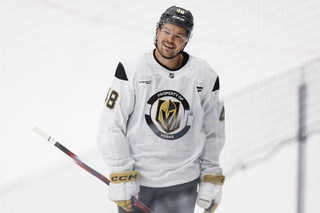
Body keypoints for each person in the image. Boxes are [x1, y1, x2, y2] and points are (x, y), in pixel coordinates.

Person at [97, 5, 225, 213]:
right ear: (157, 31)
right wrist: (121, 172)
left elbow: (214, 133)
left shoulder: (205, 76)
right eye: (166, 31)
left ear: (187, 40)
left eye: (179, 36)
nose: (170, 40)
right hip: (137, 182)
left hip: (182, 183)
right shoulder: (133, 69)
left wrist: (210, 176)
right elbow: (111, 124)